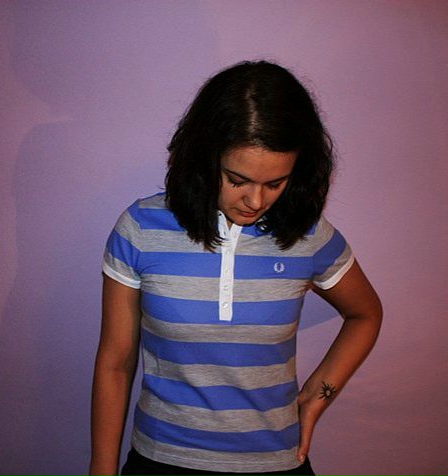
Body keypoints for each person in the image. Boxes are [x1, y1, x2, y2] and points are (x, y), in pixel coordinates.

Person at [89, 60, 382, 476]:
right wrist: (101, 469)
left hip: (276, 463)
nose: (256, 201)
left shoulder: (307, 235)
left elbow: (366, 314)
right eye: (237, 180)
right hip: (162, 460)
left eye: (275, 183)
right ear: (204, 158)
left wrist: (317, 396)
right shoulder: (140, 229)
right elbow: (116, 362)